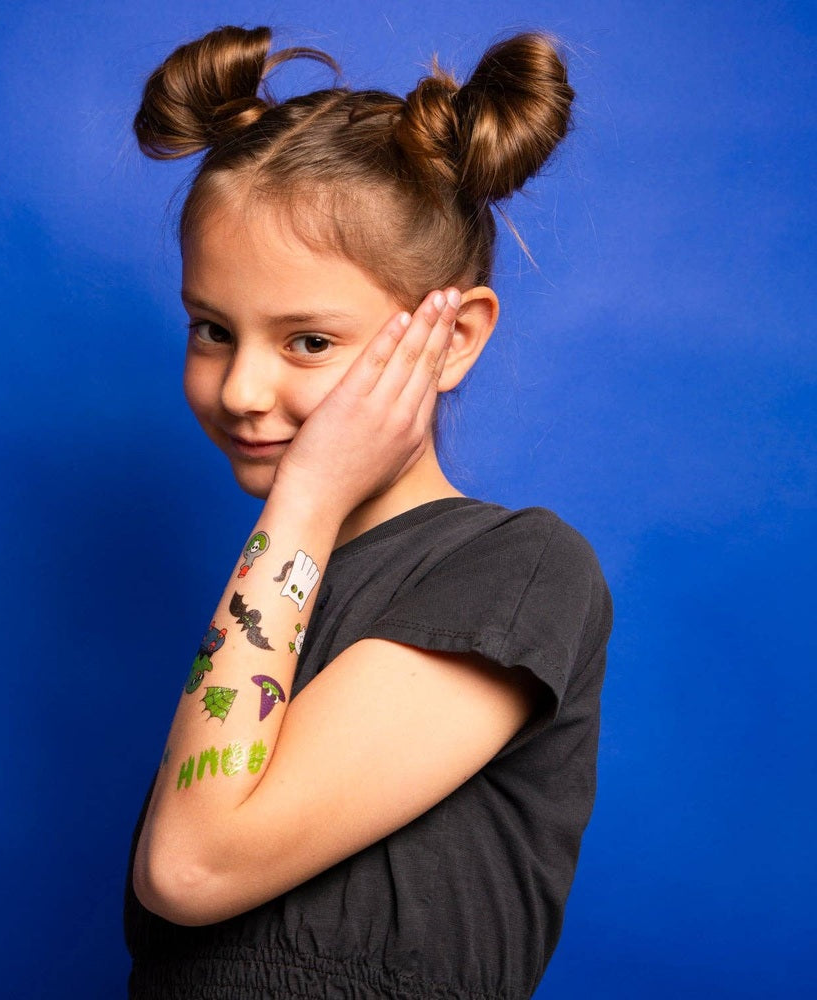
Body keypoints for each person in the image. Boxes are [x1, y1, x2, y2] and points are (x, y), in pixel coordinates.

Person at [123, 24, 612, 1000]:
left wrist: (304, 501)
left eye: (307, 340)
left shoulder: (521, 569)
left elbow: (191, 867)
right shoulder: (273, 599)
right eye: (212, 330)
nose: (243, 388)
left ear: (451, 338)